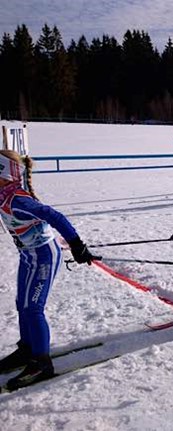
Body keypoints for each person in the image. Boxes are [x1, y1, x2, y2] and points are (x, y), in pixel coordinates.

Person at [0, 150, 97, 390]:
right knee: (21, 304)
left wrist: (76, 244)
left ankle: (42, 363)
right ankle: (27, 349)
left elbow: (53, 215)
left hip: (43, 258)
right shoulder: (4, 194)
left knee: (33, 308)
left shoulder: (17, 200)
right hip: (28, 257)